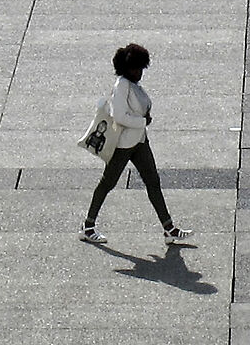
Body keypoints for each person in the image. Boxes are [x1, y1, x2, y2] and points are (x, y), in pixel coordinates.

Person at [80, 43, 191, 246]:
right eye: (136, 68)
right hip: (124, 145)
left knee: (153, 182)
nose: (139, 72)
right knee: (108, 183)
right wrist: (143, 121)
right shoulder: (122, 85)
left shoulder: (132, 85)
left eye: (141, 68)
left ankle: (169, 229)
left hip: (139, 141)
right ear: (126, 68)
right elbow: (119, 116)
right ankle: (88, 226)